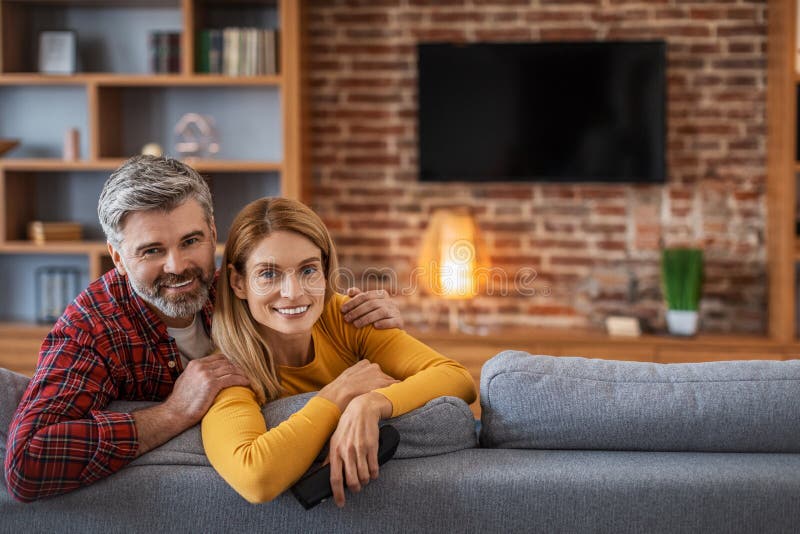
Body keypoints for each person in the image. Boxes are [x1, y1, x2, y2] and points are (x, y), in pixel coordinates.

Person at [4, 156, 403, 503]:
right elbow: (26, 463)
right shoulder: (92, 328)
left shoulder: (240, 288)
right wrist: (173, 413)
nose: (177, 266)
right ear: (118, 258)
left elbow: (313, 326)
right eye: (152, 250)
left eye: (190, 240)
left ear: (213, 232)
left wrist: (377, 330)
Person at [201, 197, 477, 507]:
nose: (293, 292)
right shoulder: (228, 374)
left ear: (326, 270)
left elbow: (458, 379)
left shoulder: (344, 316)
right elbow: (256, 480)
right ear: (238, 283)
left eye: (308, 270)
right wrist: (336, 396)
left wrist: (369, 404)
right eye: (269, 274)